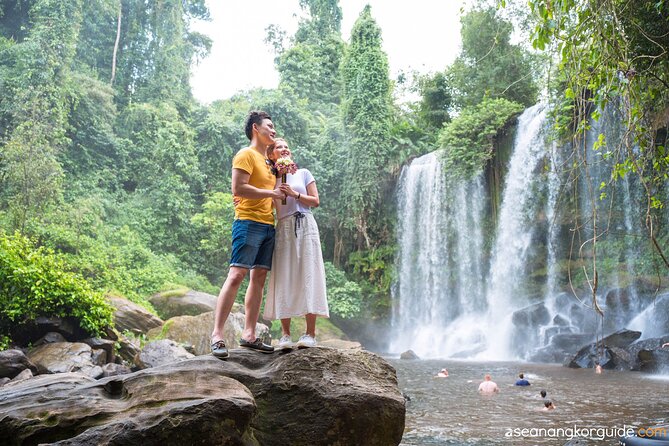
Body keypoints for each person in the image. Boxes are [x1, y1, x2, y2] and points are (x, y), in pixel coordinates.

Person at [210, 111, 285, 359]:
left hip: (268, 224)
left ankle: (249, 334)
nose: (273, 131)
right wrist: (271, 194)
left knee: (259, 277)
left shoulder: (269, 163)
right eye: (269, 127)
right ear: (256, 128)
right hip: (247, 221)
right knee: (237, 274)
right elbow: (238, 187)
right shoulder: (246, 155)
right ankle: (217, 335)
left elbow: (279, 192)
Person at [263, 138, 329, 349]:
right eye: (278, 147)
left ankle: (310, 333)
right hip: (283, 227)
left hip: (305, 223)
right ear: (271, 155)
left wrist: (295, 194)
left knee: (309, 273)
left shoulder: (304, 173)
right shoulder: (270, 177)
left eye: (286, 147)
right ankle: (285, 335)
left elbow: (315, 201)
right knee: (285, 275)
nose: (284, 149)